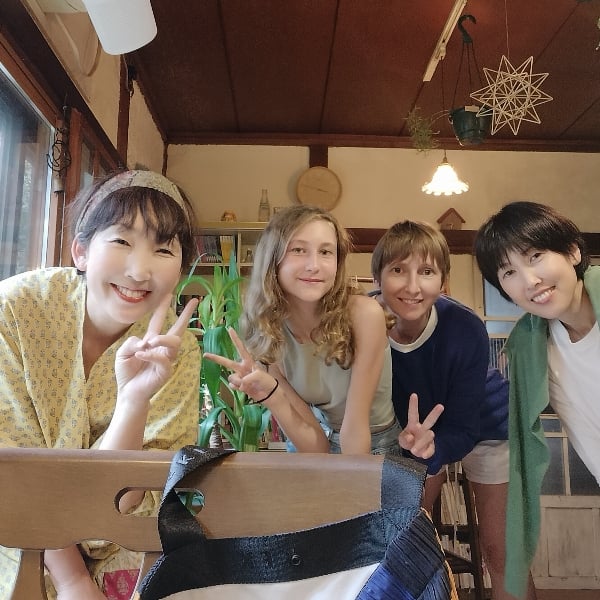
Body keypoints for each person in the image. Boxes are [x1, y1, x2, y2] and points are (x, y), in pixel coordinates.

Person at [0, 170, 201, 600]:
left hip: (114, 535)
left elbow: (134, 497)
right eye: (122, 241)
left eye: (163, 249)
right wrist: (72, 579)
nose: (140, 271)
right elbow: (11, 471)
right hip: (13, 528)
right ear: (81, 250)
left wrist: (133, 401)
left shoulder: (177, 351)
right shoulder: (14, 310)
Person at [370, 220, 537, 600]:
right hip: (413, 436)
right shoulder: (361, 320)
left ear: (443, 281)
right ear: (377, 278)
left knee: (501, 551)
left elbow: (462, 428)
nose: (412, 287)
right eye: (398, 270)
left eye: (427, 272)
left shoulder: (464, 327)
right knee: (402, 544)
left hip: (485, 424)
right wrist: (421, 450)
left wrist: (434, 449)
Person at [205, 205, 441, 457]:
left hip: (373, 444)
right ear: (273, 259)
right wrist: (271, 396)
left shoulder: (364, 315)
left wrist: (346, 479)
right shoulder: (267, 332)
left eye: (326, 252)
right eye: (298, 250)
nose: (314, 265)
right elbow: (317, 446)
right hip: (319, 441)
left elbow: (355, 428)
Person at [475, 200, 599, 598]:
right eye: (509, 272)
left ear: (573, 251)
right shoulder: (530, 347)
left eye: (535, 256)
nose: (530, 280)